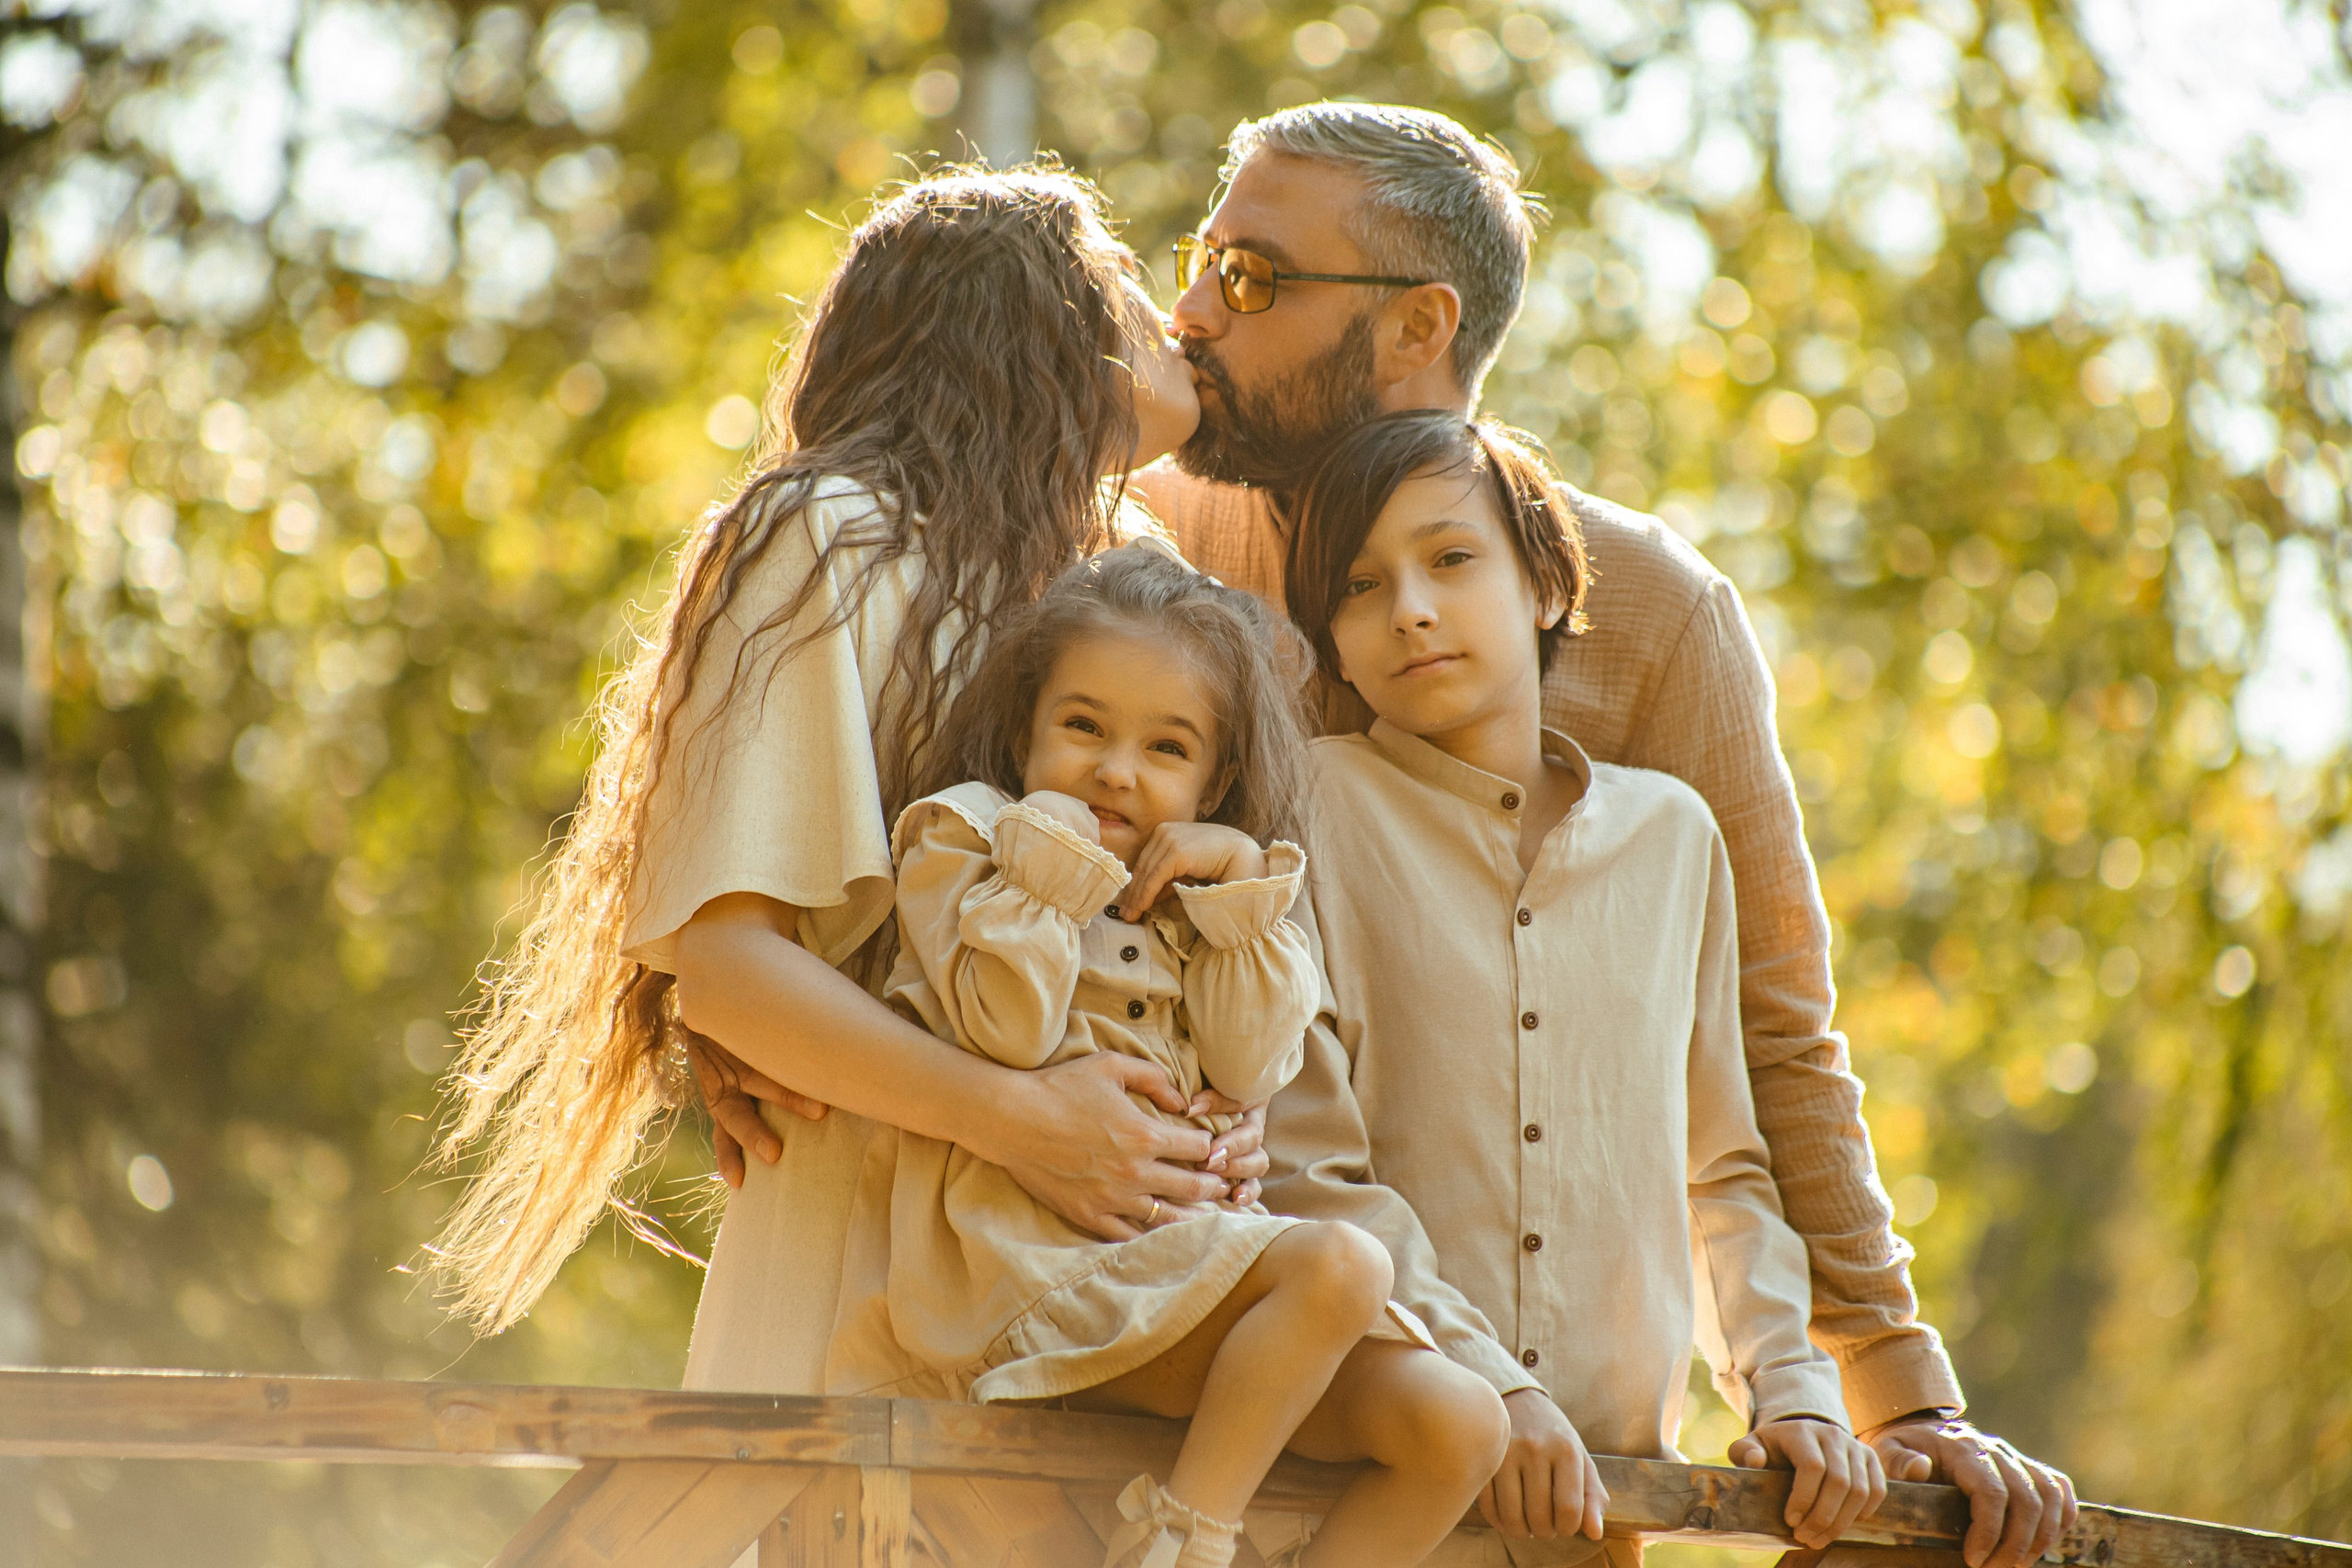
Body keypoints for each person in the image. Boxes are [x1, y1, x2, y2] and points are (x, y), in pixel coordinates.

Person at [1122, 102, 2079, 1566]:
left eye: (1251, 277)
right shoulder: (1146, 544)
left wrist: (1886, 1385)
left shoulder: (1649, 607)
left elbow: (1762, 1036)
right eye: (1202, 260)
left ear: (1413, 325)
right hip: (1180, 1411)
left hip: (1545, 1474)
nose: (1191, 312)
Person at [425, 168, 1270, 1405]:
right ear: (1030, 323)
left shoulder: (1131, 573)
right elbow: (731, 965)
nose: (1168, 316)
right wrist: (1021, 1118)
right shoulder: (829, 529)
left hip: (1115, 1270)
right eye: (1124, 282)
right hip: (871, 1257)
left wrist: (1225, 1116)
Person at [1272, 410, 1886, 1566]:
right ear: (1333, 647)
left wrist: (1793, 1388)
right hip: (1363, 1507)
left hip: (1601, 1523)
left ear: (1546, 583)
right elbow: (1305, 1171)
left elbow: (1719, 1171)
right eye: (1359, 587)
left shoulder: (1675, 839)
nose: (1408, 606)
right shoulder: (1304, 813)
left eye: (1451, 560)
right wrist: (1490, 1387)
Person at [841, 544, 1507, 1568]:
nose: (1114, 770)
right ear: (1026, 727)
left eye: (1165, 749)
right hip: (1037, 1281)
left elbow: (1247, 1068)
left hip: (1196, 1291)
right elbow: (1003, 1030)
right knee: (1342, 1262)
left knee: (1463, 1427)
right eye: (1082, 728)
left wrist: (1235, 892)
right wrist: (1057, 852)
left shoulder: (1212, 896)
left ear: (1216, 777)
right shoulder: (968, 839)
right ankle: (1183, 1543)